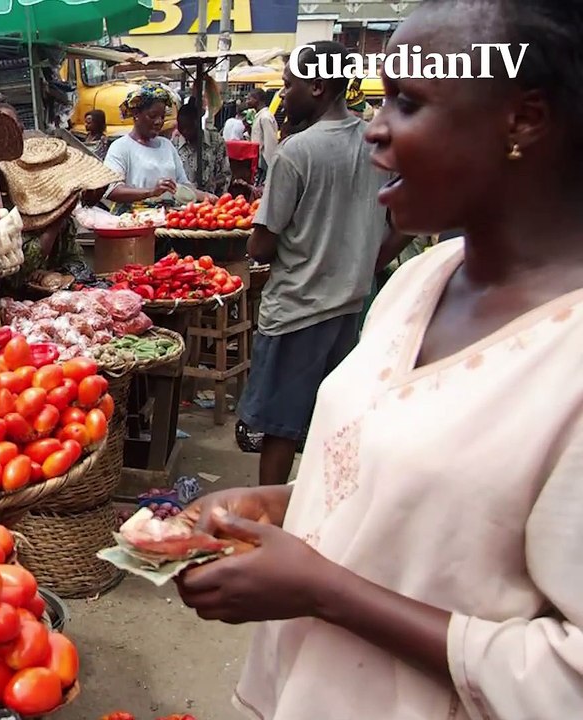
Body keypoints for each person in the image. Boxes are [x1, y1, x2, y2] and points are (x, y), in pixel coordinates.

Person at [175, 3, 583, 719]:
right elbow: (412, 501)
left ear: (523, 120)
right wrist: (284, 506)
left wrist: (322, 590)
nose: (374, 128)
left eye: (409, 102)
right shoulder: (417, 282)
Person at [235, 41, 397, 489]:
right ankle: (322, 508)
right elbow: (405, 220)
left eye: (289, 85)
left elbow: (261, 246)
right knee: (333, 423)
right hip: (350, 307)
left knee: (280, 427)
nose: (283, 94)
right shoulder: (376, 142)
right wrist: (369, 261)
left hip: (297, 310)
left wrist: (258, 233)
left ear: (319, 86)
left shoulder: (296, 152)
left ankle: (268, 515)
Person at [0, 135, 121, 296]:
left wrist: (59, 276)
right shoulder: (7, 216)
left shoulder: (66, 223)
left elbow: (76, 260)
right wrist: (57, 219)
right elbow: (17, 274)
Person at [103, 84, 210, 211]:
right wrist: (151, 192)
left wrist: (207, 197)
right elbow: (112, 190)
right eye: (152, 116)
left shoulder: (167, 145)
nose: (159, 121)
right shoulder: (121, 147)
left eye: (162, 116)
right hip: (133, 217)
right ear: (136, 114)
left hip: (168, 217)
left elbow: (183, 184)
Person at [174, 102, 232, 196]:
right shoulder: (174, 144)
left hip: (211, 199)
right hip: (183, 199)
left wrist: (213, 185)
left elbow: (225, 174)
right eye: (181, 127)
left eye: (189, 127)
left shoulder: (216, 141)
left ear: (198, 123)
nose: (185, 131)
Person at [247, 88, 279, 181]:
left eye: (249, 99)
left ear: (256, 99)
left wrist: (270, 166)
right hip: (258, 161)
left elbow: (270, 143)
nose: (247, 102)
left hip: (264, 163)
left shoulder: (265, 117)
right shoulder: (259, 116)